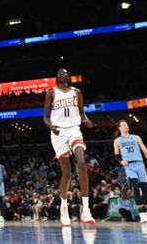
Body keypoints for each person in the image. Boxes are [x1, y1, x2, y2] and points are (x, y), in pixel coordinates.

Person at [43, 68, 95, 226]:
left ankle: (86, 210)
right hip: (58, 133)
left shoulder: (77, 92)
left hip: (74, 130)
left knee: (81, 162)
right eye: (59, 73)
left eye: (65, 73)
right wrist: (51, 127)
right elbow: (45, 116)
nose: (62, 74)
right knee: (67, 174)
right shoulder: (51, 92)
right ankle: (63, 207)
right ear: (56, 78)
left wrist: (86, 120)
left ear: (69, 77)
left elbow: (81, 112)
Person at [113, 119, 147, 222]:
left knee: (145, 190)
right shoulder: (117, 141)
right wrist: (121, 161)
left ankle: (144, 211)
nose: (126, 127)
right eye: (123, 125)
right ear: (119, 128)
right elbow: (117, 155)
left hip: (140, 163)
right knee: (136, 188)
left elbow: (144, 150)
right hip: (129, 166)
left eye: (127, 125)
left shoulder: (136, 138)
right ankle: (142, 215)